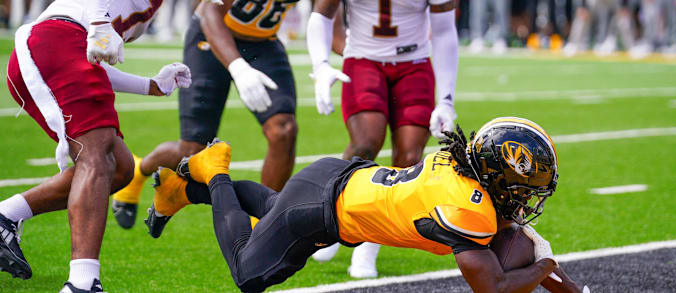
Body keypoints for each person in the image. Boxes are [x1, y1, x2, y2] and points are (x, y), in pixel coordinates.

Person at [0, 0, 215, 292]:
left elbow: (92, 62)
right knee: (96, 150)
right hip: (55, 39)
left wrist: (151, 85)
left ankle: (6, 215)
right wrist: (99, 22)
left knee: (118, 168)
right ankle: (82, 283)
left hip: (62, 48)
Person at [110, 0, 341, 231]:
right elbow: (211, 12)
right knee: (193, 149)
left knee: (284, 130)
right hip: (212, 36)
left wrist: (353, 56)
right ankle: (141, 171)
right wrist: (237, 67)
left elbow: (329, 19)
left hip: (262, 41)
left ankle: (265, 223)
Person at [146, 116, 590, 293]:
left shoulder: (461, 165)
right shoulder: (465, 209)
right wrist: (543, 270)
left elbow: (523, 241)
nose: (526, 197)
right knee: (248, 273)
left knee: (277, 207)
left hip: (332, 180)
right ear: (495, 175)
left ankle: (182, 192)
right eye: (524, 186)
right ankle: (214, 168)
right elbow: (492, 287)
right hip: (323, 209)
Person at [304, 0, 461, 277]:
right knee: (364, 144)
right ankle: (330, 225)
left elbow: (444, 32)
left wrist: (446, 99)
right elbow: (322, 14)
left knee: (409, 157)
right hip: (364, 59)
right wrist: (321, 65)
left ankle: (368, 246)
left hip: (413, 63)